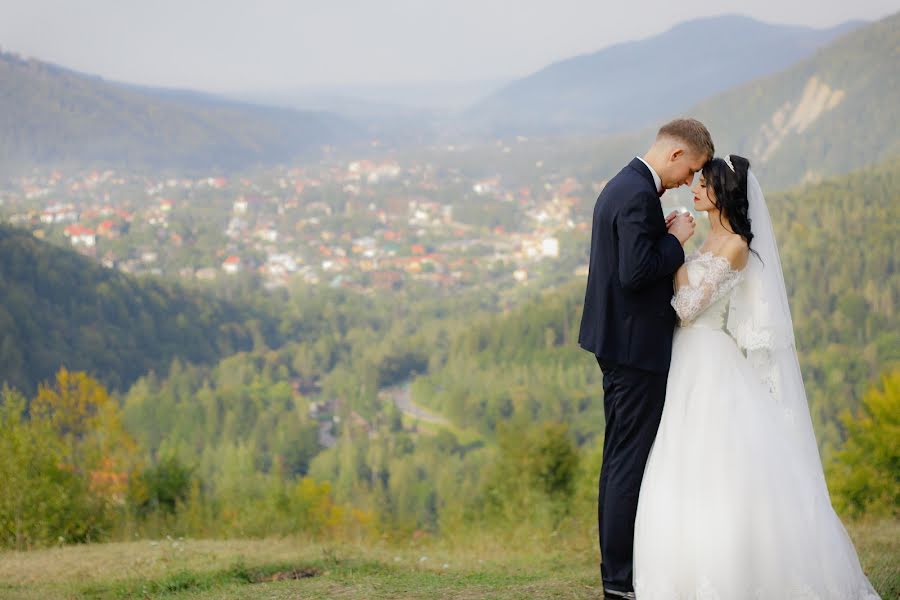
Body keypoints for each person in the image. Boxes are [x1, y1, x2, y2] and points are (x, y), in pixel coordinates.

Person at [632, 154, 880, 599]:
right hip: (684, 360)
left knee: (715, 467)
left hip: (707, 358)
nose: (694, 188)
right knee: (680, 463)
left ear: (721, 192)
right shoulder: (709, 240)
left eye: (702, 184)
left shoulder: (735, 247)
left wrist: (675, 251)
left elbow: (689, 310)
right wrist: (681, 247)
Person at [578, 118, 713, 599]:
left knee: (620, 459)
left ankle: (620, 573)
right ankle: (618, 581)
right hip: (634, 349)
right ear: (676, 155)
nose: (690, 181)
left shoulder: (625, 182)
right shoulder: (637, 194)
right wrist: (675, 240)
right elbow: (637, 273)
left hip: (618, 342)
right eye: (691, 169)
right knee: (627, 463)